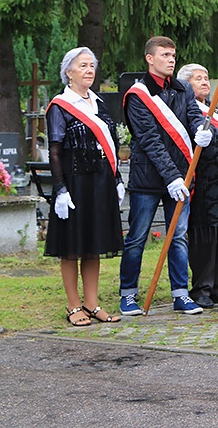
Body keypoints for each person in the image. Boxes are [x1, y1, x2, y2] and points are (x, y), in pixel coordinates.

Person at [119, 36, 213, 316]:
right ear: (150, 58)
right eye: (165, 55)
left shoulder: (183, 89)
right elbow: (149, 140)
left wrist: (200, 131)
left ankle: (180, 294)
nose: (171, 59)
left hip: (180, 177)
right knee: (137, 237)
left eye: (173, 55)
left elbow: (193, 116)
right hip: (148, 179)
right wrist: (172, 177)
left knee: (179, 236)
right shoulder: (138, 95)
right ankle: (128, 294)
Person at [46, 47, 124, 325]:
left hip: (100, 182)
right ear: (69, 72)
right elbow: (54, 150)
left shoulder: (98, 104)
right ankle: (73, 306)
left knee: (93, 244)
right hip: (74, 184)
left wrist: (116, 179)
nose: (89, 70)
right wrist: (60, 189)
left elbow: (111, 143)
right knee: (72, 246)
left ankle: (92, 304)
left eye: (92, 65)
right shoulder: (60, 106)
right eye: (82, 66)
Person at [177, 64, 218, 306]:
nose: (205, 82)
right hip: (204, 182)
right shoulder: (185, 110)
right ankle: (201, 288)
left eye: (206, 77)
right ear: (186, 85)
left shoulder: (214, 112)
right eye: (198, 79)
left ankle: (217, 285)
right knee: (206, 233)